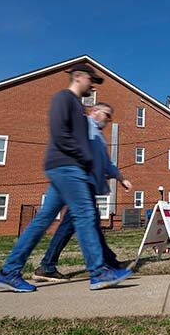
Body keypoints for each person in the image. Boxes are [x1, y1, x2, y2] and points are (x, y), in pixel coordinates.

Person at [0, 64, 132, 292]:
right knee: (86, 215)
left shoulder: (77, 106)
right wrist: (84, 157)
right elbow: (59, 134)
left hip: (68, 168)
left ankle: (9, 271)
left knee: (43, 220)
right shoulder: (64, 99)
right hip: (67, 167)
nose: (92, 84)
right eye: (91, 79)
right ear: (78, 76)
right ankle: (98, 272)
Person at [33, 102, 132, 281]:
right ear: (95, 111)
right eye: (107, 115)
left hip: (88, 185)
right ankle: (105, 264)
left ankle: (48, 265)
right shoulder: (84, 125)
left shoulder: (99, 136)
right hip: (80, 184)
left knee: (76, 225)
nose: (109, 120)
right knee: (80, 224)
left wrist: (120, 178)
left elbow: (107, 163)